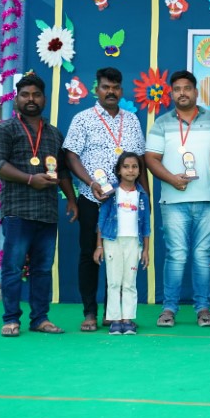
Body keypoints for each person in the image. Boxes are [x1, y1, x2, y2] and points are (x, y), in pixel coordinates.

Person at [0, 73, 78, 337]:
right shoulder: (4, 130)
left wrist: (71, 200)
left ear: (44, 99)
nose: (31, 99)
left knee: (42, 269)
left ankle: (40, 318)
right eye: (25, 95)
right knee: (13, 268)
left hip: (47, 213)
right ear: (17, 99)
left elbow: (62, 171)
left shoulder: (54, 134)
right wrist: (29, 179)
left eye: (36, 95)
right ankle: (11, 319)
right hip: (18, 211)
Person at [64, 67, 148, 332]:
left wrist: (144, 198)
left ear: (121, 90)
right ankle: (90, 312)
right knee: (90, 254)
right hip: (94, 198)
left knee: (123, 256)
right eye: (105, 87)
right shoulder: (82, 119)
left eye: (115, 87)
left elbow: (141, 161)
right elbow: (71, 156)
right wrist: (91, 183)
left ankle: (117, 314)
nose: (111, 92)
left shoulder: (132, 120)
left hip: (127, 203)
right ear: (96, 90)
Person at [145, 70, 210, 328]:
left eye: (187, 88)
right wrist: (172, 179)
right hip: (174, 201)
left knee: (203, 255)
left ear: (196, 92)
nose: (182, 93)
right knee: (176, 255)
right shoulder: (162, 123)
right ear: (171, 93)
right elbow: (151, 158)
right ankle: (168, 309)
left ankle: (203, 309)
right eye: (177, 89)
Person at [93, 152, 150, 335]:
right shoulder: (111, 192)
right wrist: (99, 246)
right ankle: (115, 320)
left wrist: (146, 250)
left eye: (134, 167)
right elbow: (101, 220)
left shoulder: (142, 194)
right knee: (114, 281)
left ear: (139, 171)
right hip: (112, 241)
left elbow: (146, 225)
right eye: (126, 166)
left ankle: (127, 319)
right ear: (118, 170)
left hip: (134, 242)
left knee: (129, 282)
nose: (130, 170)